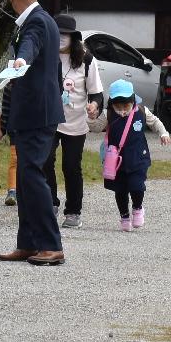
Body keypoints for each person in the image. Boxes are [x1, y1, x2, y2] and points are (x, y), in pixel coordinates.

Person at [0, 0, 66, 267]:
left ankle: (51, 244)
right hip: (37, 111)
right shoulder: (46, 19)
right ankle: (28, 243)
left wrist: (21, 60)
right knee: (25, 179)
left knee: (33, 176)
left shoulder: (36, 22)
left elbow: (29, 47)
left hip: (37, 114)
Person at [53, 16, 105, 229]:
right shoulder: (46, 55)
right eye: (58, 34)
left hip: (75, 123)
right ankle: (50, 204)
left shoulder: (86, 60)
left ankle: (73, 211)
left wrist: (94, 106)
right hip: (50, 119)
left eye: (65, 35)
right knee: (45, 162)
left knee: (71, 166)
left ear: (74, 37)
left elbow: (97, 93)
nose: (61, 39)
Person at [102, 79, 171, 230]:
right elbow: (94, 126)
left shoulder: (141, 111)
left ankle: (138, 208)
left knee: (137, 186)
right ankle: (124, 216)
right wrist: (91, 116)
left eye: (125, 106)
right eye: (118, 107)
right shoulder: (107, 115)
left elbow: (155, 122)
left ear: (133, 100)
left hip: (138, 157)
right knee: (120, 190)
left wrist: (163, 133)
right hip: (117, 162)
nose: (122, 111)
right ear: (111, 103)